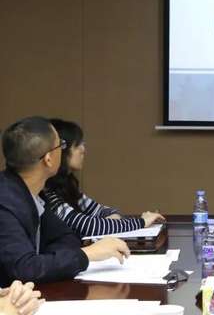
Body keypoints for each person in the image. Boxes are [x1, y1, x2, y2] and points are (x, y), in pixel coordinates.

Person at [0, 116, 130, 286]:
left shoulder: (33, 193)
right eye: (61, 145)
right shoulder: (4, 201)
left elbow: (66, 238)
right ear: (48, 159)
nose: (63, 150)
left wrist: (48, 262)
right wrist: (88, 254)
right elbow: (26, 269)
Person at [43, 119, 164, 238]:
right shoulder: (45, 191)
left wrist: (110, 222)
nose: (83, 150)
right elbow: (86, 226)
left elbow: (102, 211)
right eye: (77, 144)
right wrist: (142, 222)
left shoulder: (67, 185)